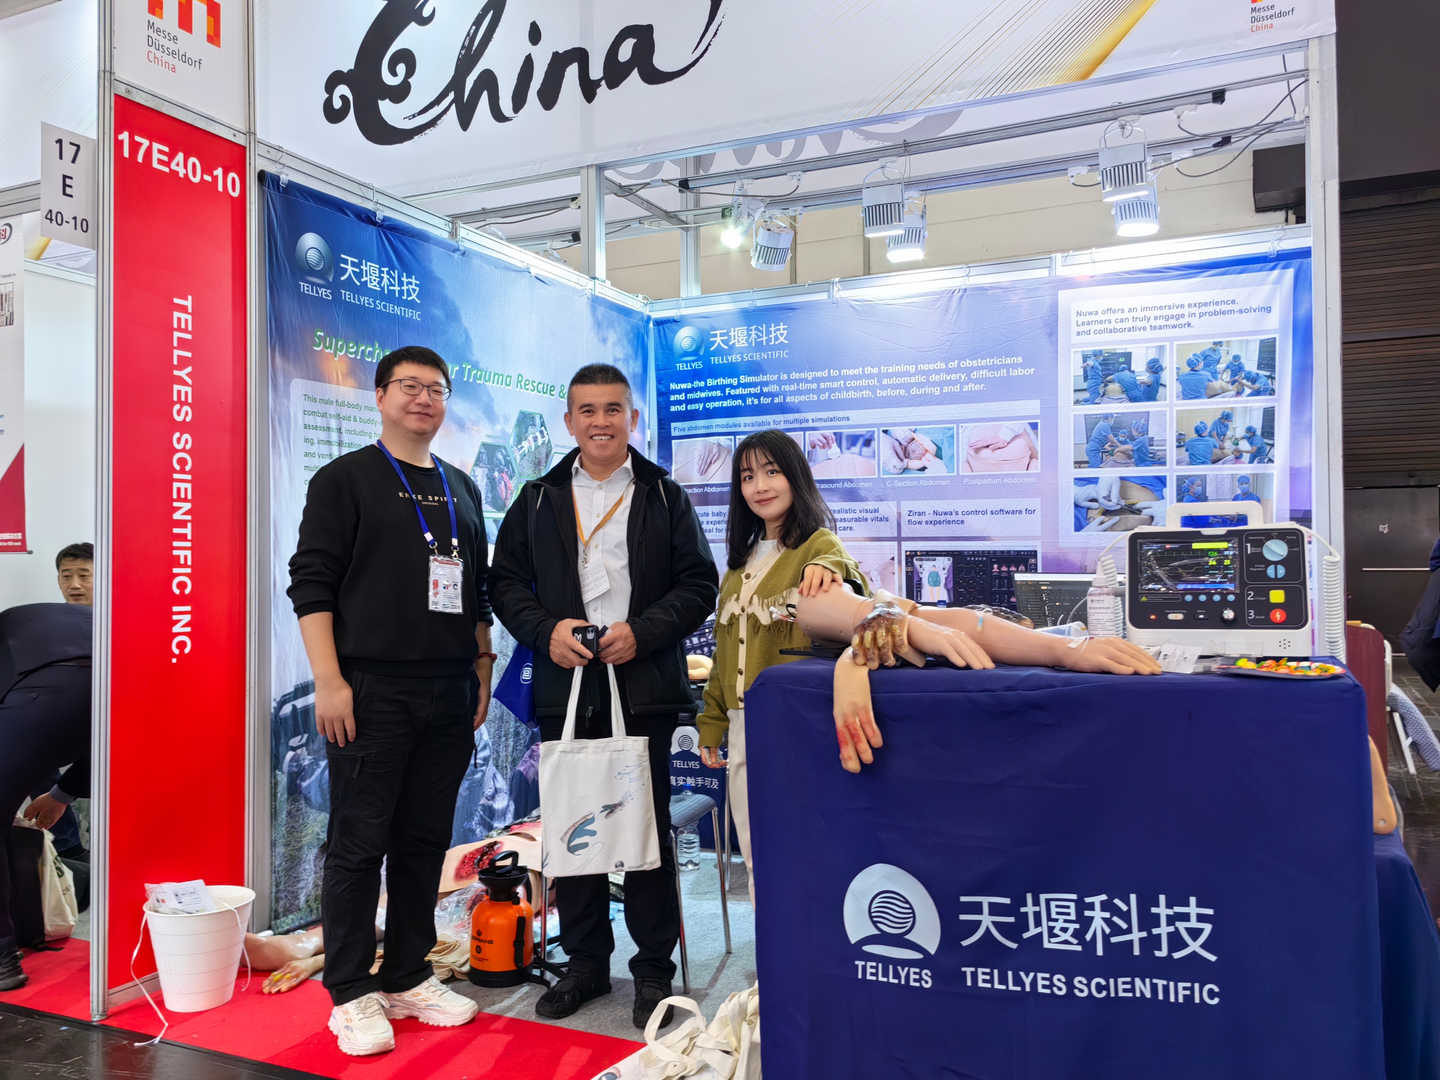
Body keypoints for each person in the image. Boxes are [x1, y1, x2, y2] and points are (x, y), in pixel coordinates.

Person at [488, 363, 717, 1030]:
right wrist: (545, 631)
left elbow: (699, 584)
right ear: (569, 421)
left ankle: (652, 970)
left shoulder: (664, 495)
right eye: (586, 410)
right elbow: (505, 584)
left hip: (641, 685)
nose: (600, 421)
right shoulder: (537, 498)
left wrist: (642, 632)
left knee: (644, 829)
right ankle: (586, 964)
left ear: (632, 419)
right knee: (572, 824)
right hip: (565, 684)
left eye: (612, 409)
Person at [288, 345, 495, 1057]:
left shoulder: (462, 487)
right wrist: (329, 680)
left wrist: (482, 667)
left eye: (436, 389)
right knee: (358, 842)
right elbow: (311, 583)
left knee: (423, 840)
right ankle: (350, 990)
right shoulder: (344, 480)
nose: (423, 399)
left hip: (450, 687)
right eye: (409, 386)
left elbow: (475, 592)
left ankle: (407, 973)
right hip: (369, 688)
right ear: (379, 396)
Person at [695, 429, 867, 894]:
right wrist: (712, 722)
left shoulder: (818, 547)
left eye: (772, 472)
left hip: (797, 722)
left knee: (805, 848)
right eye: (748, 476)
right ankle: (770, 942)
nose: (760, 486)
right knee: (756, 852)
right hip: (742, 726)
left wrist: (829, 566)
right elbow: (724, 652)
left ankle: (809, 939)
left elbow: (854, 588)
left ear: (795, 476)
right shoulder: (738, 565)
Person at [789, 584, 1162, 773]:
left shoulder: (819, 556)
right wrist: (872, 640)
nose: (762, 486)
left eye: (773, 472)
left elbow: (965, 624)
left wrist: (1066, 650)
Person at [0, 602, 91, 992]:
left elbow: (27, 723)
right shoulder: (48, 619)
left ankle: (2, 957)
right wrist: (61, 794)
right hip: (129, 686)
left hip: (41, 694)